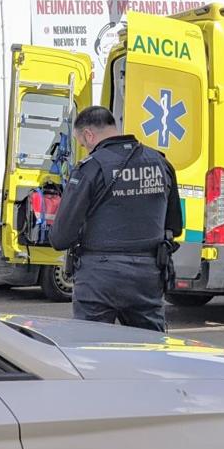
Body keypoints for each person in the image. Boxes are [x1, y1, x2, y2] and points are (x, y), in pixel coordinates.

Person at [50, 106, 183, 332]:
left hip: (98, 278)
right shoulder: (160, 163)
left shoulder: (90, 168)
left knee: (90, 350)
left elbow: (61, 237)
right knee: (150, 350)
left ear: (89, 135)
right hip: (148, 275)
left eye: (82, 143)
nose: (84, 149)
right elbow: (175, 226)